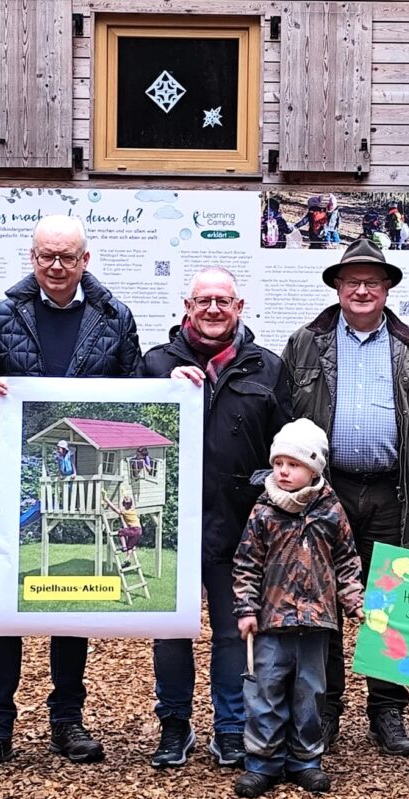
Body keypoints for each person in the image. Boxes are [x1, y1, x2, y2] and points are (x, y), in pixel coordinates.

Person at [0, 215, 142, 774]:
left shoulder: (115, 317)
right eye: (46, 256)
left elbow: (132, 396)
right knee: (0, 610)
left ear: (86, 260)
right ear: (32, 258)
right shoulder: (3, 314)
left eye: (67, 257)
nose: (56, 266)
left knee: (71, 597)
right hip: (13, 485)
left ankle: (67, 720)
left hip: (84, 484)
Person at [283, 238, 409, 755]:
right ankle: (327, 707)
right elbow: (283, 419)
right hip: (324, 494)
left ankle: (387, 710)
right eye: (352, 281)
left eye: (372, 282)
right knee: (326, 599)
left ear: (386, 290)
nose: (362, 290)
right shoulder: (306, 343)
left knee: (392, 598)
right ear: (338, 287)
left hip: (394, 493)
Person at [142, 266, 291, 769]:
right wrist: (166, 386)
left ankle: (229, 727)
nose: (212, 309)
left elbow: (284, 448)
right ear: (187, 306)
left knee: (234, 632)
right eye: (202, 300)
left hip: (239, 525)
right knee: (171, 629)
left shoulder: (266, 368)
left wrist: (262, 491)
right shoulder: (155, 363)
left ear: (239, 307)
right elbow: (131, 430)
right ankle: (174, 724)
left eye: (222, 301)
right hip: (169, 525)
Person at [231, 418, 365, 798]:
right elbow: (246, 564)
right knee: (264, 690)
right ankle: (262, 762)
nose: (284, 472)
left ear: (314, 469)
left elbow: (346, 559)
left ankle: (305, 760)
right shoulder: (263, 512)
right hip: (271, 622)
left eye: (293, 465)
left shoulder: (331, 511)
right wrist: (245, 608)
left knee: (310, 694)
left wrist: (353, 598)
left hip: (316, 622)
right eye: (278, 464)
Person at [103, 492, 142, 559]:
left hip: (134, 529)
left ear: (124, 504)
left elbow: (115, 509)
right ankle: (127, 559)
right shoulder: (133, 509)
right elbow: (130, 503)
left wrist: (106, 500)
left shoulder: (125, 512)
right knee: (130, 546)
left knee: (121, 532)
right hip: (139, 531)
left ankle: (124, 547)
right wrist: (124, 495)